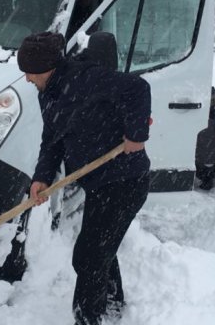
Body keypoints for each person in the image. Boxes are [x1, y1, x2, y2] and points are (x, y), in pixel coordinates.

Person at [19, 32, 151, 325]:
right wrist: (41, 177)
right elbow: (52, 139)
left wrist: (136, 134)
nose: (27, 79)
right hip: (99, 182)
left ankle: (88, 319)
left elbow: (138, 89)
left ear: (46, 68)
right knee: (100, 246)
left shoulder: (86, 79)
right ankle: (113, 303)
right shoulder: (48, 94)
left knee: (88, 257)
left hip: (125, 179)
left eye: (29, 72)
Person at [194, 87, 215, 190]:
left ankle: (206, 173)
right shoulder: (207, 87)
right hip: (208, 114)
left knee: (205, 141)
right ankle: (208, 171)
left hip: (205, 115)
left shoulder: (201, 88)